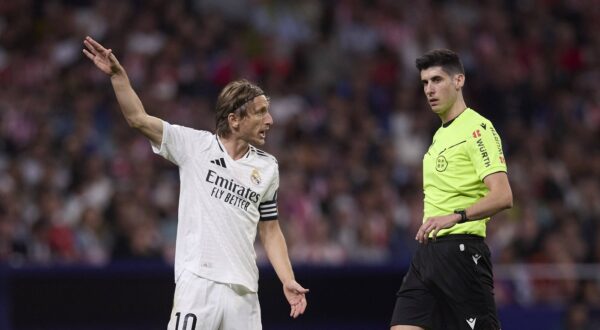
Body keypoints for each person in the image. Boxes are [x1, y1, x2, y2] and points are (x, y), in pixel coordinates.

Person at [83, 36, 308, 330]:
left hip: (245, 294)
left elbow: (270, 228)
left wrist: (287, 278)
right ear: (235, 119)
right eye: (261, 112)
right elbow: (139, 119)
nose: (271, 120)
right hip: (199, 285)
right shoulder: (195, 146)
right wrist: (117, 76)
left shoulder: (268, 167)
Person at [390, 49, 513, 330]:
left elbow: (503, 195)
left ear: (459, 81)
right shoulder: (440, 135)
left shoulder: (478, 128)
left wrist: (455, 216)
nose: (429, 90)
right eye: (424, 83)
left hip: (461, 251)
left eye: (437, 80)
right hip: (426, 255)